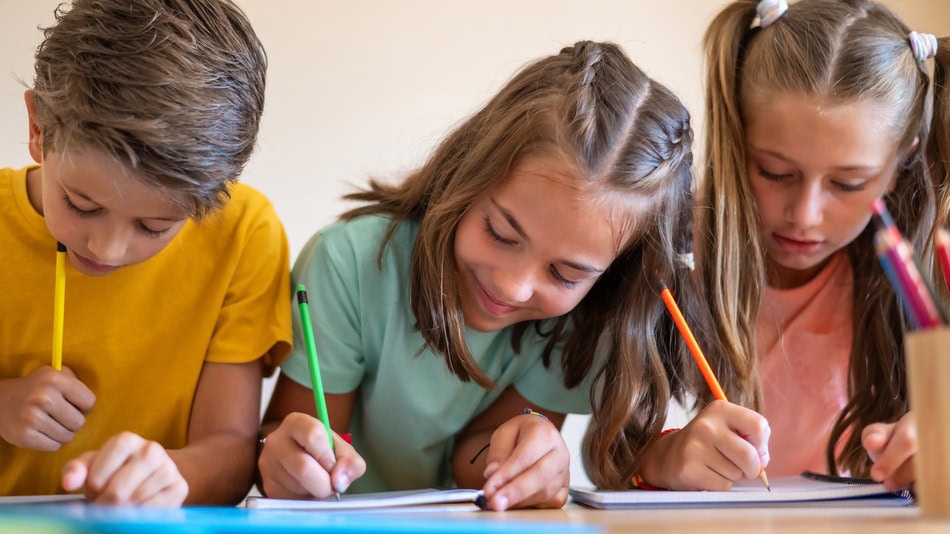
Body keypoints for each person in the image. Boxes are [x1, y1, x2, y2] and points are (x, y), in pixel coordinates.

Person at [257, 40, 708, 509]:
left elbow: (471, 465)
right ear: (467, 175)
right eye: (500, 233)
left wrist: (526, 451)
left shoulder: (584, 320)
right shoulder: (349, 262)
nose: (513, 286)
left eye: (566, 274)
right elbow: (292, 444)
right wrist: (283, 457)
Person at [633, 0, 949, 492]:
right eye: (775, 172)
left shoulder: (930, 267)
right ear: (738, 138)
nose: (804, 215)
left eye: (848, 183)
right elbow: (613, 448)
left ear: (901, 160)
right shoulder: (675, 252)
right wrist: (664, 457)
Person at [0, 0, 291, 505]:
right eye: (80, 204)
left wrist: (174, 475)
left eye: (156, 226)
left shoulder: (244, 233)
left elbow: (230, 449)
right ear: (37, 128)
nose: (107, 250)